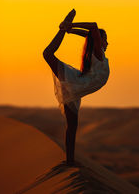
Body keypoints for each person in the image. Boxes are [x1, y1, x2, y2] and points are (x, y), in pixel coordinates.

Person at [43, 9, 109, 165]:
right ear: (99, 40)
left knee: (71, 127)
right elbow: (93, 27)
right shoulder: (98, 53)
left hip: (76, 89)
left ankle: (70, 160)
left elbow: (89, 35)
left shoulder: (95, 52)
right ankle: (62, 30)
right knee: (47, 54)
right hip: (75, 84)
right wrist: (69, 25)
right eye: (105, 39)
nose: (107, 43)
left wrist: (71, 31)